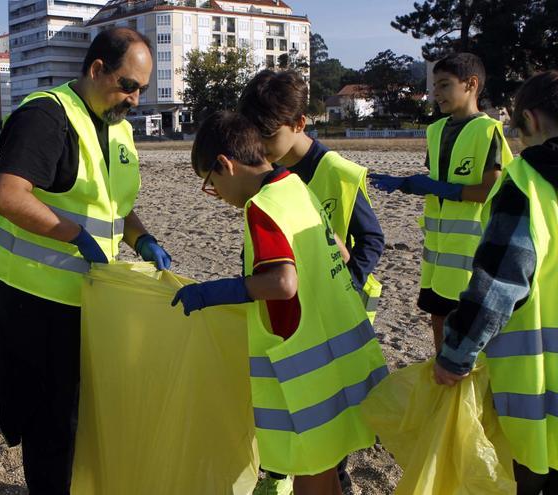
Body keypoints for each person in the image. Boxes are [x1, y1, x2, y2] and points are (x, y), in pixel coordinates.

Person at [0, 27, 171, 494]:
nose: (134, 99)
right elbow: (8, 197)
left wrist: (142, 239)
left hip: (91, 299)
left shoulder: (120, 129)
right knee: (50, 426)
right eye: (128, 85)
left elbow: (116, 206)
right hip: (37, 300)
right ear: (96, 70)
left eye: (142, 91)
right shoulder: (47, 116)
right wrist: (76, 236)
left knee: (81, 418)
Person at [172, 111, 387, 495]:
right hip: (341, 355)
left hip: (304, 376)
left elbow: (283, 282)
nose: (216, 196)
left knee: (311, 474)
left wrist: (211, 293)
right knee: (321, 474)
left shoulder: (262, 206)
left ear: (226, 164)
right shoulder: (296, 186)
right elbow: (340, 251)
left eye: (211, 184)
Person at [239, 69, 385, 494]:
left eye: (267, 135)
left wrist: (347, 286)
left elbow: (372, 239)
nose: (260, 146)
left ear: (299, 123)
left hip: (340, 313)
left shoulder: (338, 172)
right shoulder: (271, 176)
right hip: (298, 318)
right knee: (307, 423)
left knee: (330, 427)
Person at [433, 70, 558, 495]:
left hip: (540, 396)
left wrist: (455, 355)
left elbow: (498, 284)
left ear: (533, 121)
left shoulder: (527, 185)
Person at [369, 52, 514, 354]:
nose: (437, 93)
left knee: (472, 327)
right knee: (438, 316)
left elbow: (490, 190)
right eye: (435, 86)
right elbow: (437, 178)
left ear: (471, 84)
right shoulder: (435, 131)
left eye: (445, 85)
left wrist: (437, 188)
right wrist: (412, 184)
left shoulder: (488, 131)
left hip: (473, 253)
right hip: (437, 252)